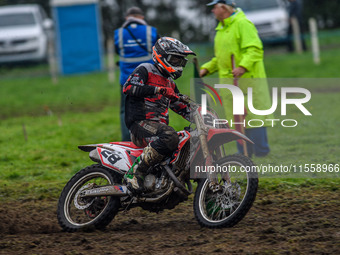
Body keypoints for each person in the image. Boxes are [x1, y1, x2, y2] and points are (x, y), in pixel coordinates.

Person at [200, 0, 273, 157]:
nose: (212, 10)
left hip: (247, 80)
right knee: (237, 120)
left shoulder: (243, 24)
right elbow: (221, 58)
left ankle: (261, 153)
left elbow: (254, 49)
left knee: (253, 117)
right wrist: (207, 68)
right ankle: (244, 154)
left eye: (215, 7)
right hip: (230, 84)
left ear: (225, 7)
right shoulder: (221, 29)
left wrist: (243, 67)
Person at [123, 37, 196, 193]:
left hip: (158, 129)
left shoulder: (170, 83)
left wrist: (201, 114)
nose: (178, 64)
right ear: (162, 56)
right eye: (174, 59)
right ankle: (135, 173)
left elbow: (180, 105)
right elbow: (128, 87)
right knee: (170, 136)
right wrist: (156, 90)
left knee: (188, 139)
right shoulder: (146, 69)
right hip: (140, 124)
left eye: (180, 61)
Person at [114, 7, 159, 141]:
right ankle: (152, 139)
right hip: (148, 78)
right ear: (142, 17)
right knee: (152, 109)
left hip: (126, 79)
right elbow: (158, 50)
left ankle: (127, 140)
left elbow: (118, 51)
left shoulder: (119, 33)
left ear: (127, 18)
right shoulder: (151, 31)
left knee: (125, 110)